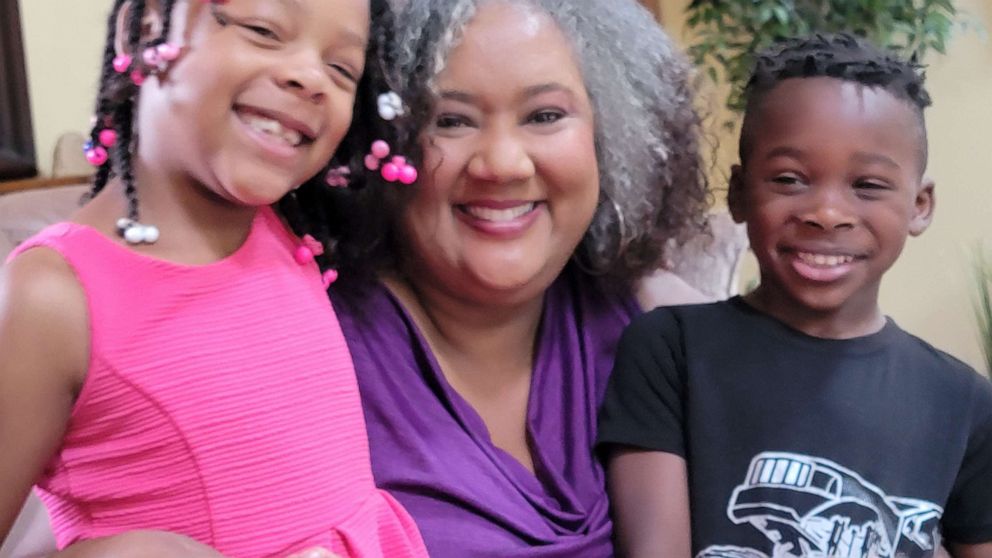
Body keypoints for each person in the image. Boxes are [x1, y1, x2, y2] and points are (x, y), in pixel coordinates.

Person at [0, 0, 427, 556]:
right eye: (264, 30)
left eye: (343, 68)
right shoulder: (51, 296)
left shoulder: (292, 236)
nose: (309, 76)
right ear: (145, 27)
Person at [324, 0, 711, 555]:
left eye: (544, 116)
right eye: (450, 121)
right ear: (378, 144)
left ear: (613, 135)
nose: (503, 163)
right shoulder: (316, 348)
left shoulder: (662, 335)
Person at [597, 33, 992, 558]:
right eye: (789, 178)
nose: (827, 212)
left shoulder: (962, 401)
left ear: (919, 205)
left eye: (868, 185)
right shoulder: (671, 350)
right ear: (739, 194)